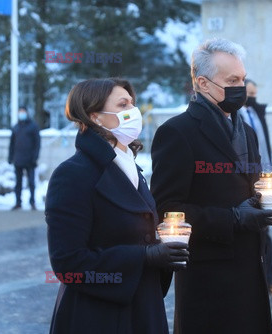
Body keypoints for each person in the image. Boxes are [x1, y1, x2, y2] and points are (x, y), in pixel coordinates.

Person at [150, 38, 272, 334]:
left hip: (252, 269)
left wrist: (271, 204)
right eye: (232, 80)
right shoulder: (177, 132)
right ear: (202, 83)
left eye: (242, 78)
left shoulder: (247, 130)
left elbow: (251, 188)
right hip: (208, 278)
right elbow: (166, 210)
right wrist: (233, 218)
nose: (241, 86)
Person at [45, 78, 189, 333]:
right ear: (95, 117)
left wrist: (164, 245)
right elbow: (68, 263)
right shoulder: (72, 174)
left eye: (132, 104)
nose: (133, 112)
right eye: (123, 105)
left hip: (143, 309)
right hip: (97, 317)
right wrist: (144, 256)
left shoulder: (131, 167)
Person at [239, 79, 272, 294]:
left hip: (264, 177)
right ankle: (264, 278)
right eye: (249, 92)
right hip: (250, 179)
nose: (253, 97)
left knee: (266, 232)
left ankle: (270, 277)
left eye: (255, 93)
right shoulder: (236, 117)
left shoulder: (256, 114)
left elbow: (264, 146)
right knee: (261, 233)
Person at [8, 106, 40, 210]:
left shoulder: (33, 126)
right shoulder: (16, 127)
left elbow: (37, 143)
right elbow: (12, 144)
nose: (21, 114)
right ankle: (18, 202)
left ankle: (32, 202)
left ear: (26, 113)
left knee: (31, 182)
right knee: (18, 183)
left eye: (23, 112)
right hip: (18, 159)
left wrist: (35, 157)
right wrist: (10, 157)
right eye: (20, 112)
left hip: (30, 159)